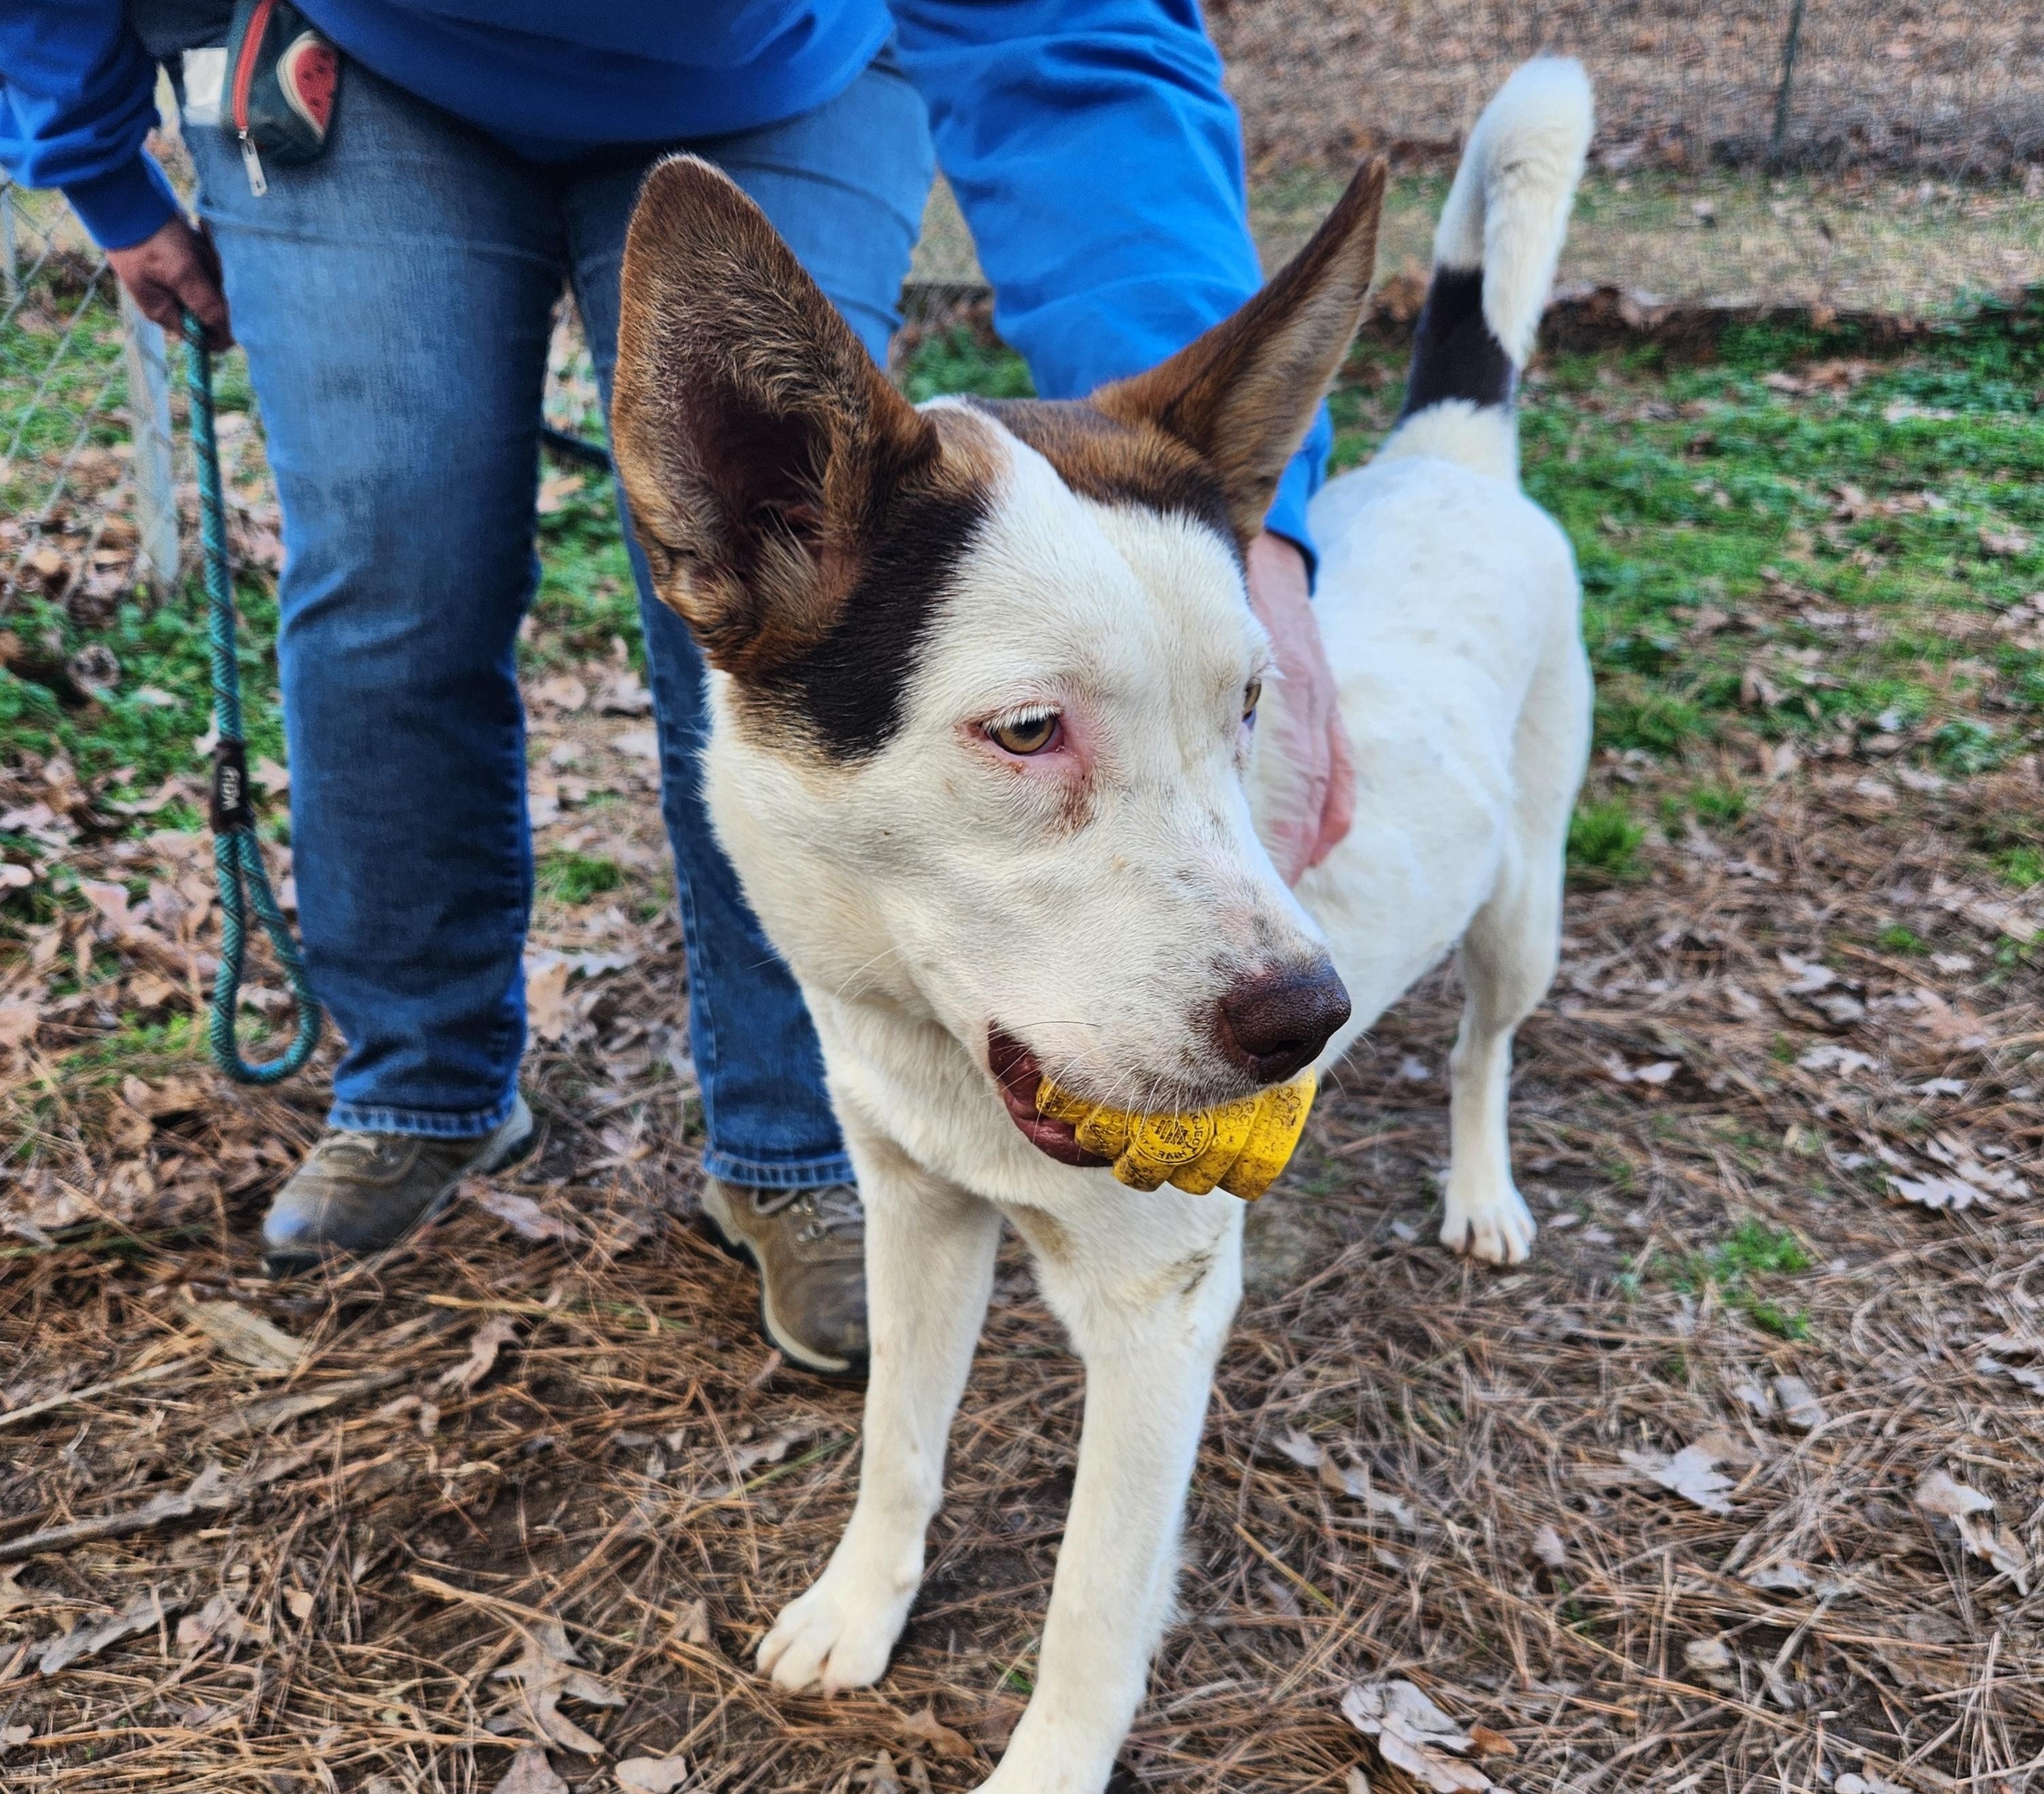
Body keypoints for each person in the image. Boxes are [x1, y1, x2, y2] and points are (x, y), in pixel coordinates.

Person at [1, 0, 1354, 1383]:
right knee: (393, 577)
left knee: (798, 613)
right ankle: (420, 1082)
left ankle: (796, 1144)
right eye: (1027, 730)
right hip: (368, 57)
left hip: (783, 65)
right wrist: (94, 160)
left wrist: (1245, 547)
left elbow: (1071, 26)